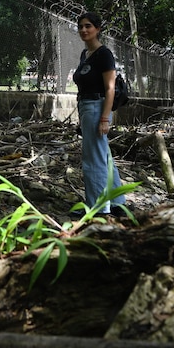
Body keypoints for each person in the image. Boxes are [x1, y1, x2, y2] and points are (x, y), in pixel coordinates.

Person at [72, 12, 125, 215]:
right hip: (86, 106)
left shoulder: (104, 54)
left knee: (93, 160)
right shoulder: (85, 55)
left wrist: (104, 118)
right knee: (104, 156)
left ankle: (99, 208)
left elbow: (110, 88)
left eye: (88, 26)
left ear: (97, 29)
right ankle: (118, 202)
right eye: (80, 27)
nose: (84, 30)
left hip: (97, 107)